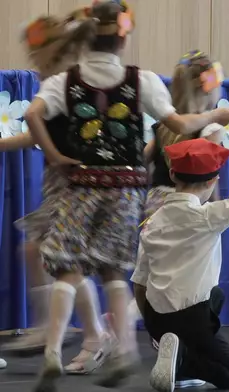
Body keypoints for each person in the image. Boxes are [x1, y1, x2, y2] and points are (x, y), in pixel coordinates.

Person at [23, 1, 229, 390]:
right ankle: (123, 351)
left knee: (69, 270)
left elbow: (33, 116)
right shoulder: (144, 82)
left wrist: (56, 157)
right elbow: (178, 122)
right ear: (124, 37)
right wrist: (214, 117)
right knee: (112, 273)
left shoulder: (63, 81)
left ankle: (54, 350)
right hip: (125, 190)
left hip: (83, 188)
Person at [1, 12, 112, 375]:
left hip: (76, 184)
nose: (30, 61)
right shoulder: (55, 79)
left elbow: (38, 134)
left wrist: (3, 144)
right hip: (62, 183)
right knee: (36, 250)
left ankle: (90, 335)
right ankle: (59, 326)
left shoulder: (66, 82)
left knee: (61, 260)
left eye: (33, 53)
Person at [134, 125, 229, 392]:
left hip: (156, 318)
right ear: (212, 181)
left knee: (213, 297)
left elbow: (140, 284)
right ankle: (182, 359)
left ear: (172, 174)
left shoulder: (151, 222)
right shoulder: (207, 217)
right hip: (191, 317)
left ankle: (175, 354)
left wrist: (154, 331)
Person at [130, 49, 227, 390]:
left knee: (154, 277)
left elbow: (143, 163)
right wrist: (213, 215)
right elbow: (209, 178)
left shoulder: (162, 127)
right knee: (197, 283)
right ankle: (187, 350)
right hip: (190, 209)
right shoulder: (211, 127)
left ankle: (162, 339)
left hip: (155, 206)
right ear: (210, 88)